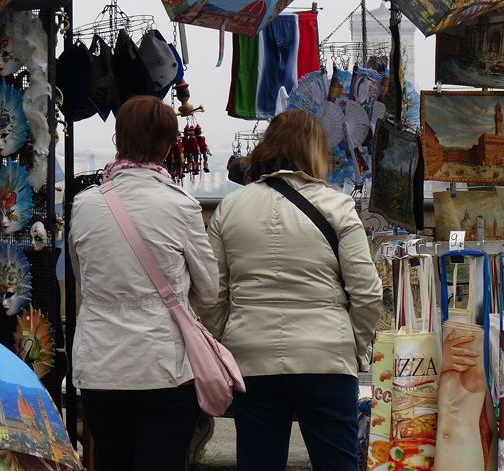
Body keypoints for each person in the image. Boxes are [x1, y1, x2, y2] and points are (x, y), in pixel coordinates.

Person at [200, 109, 383, 471]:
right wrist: (355, 348)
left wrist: (227, 340)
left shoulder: (230, 208)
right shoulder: (337, 206)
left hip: (252, 358)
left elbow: (211, 294)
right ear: (316, 151)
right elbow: (367, 292)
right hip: (327, 357)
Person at [70, 95, 219, 471]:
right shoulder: (181, 205)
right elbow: (210, 290)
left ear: (118, 140)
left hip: (101, 366)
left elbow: (81, 276)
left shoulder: (84, 205)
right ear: (169, 146)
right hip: (163, 367)